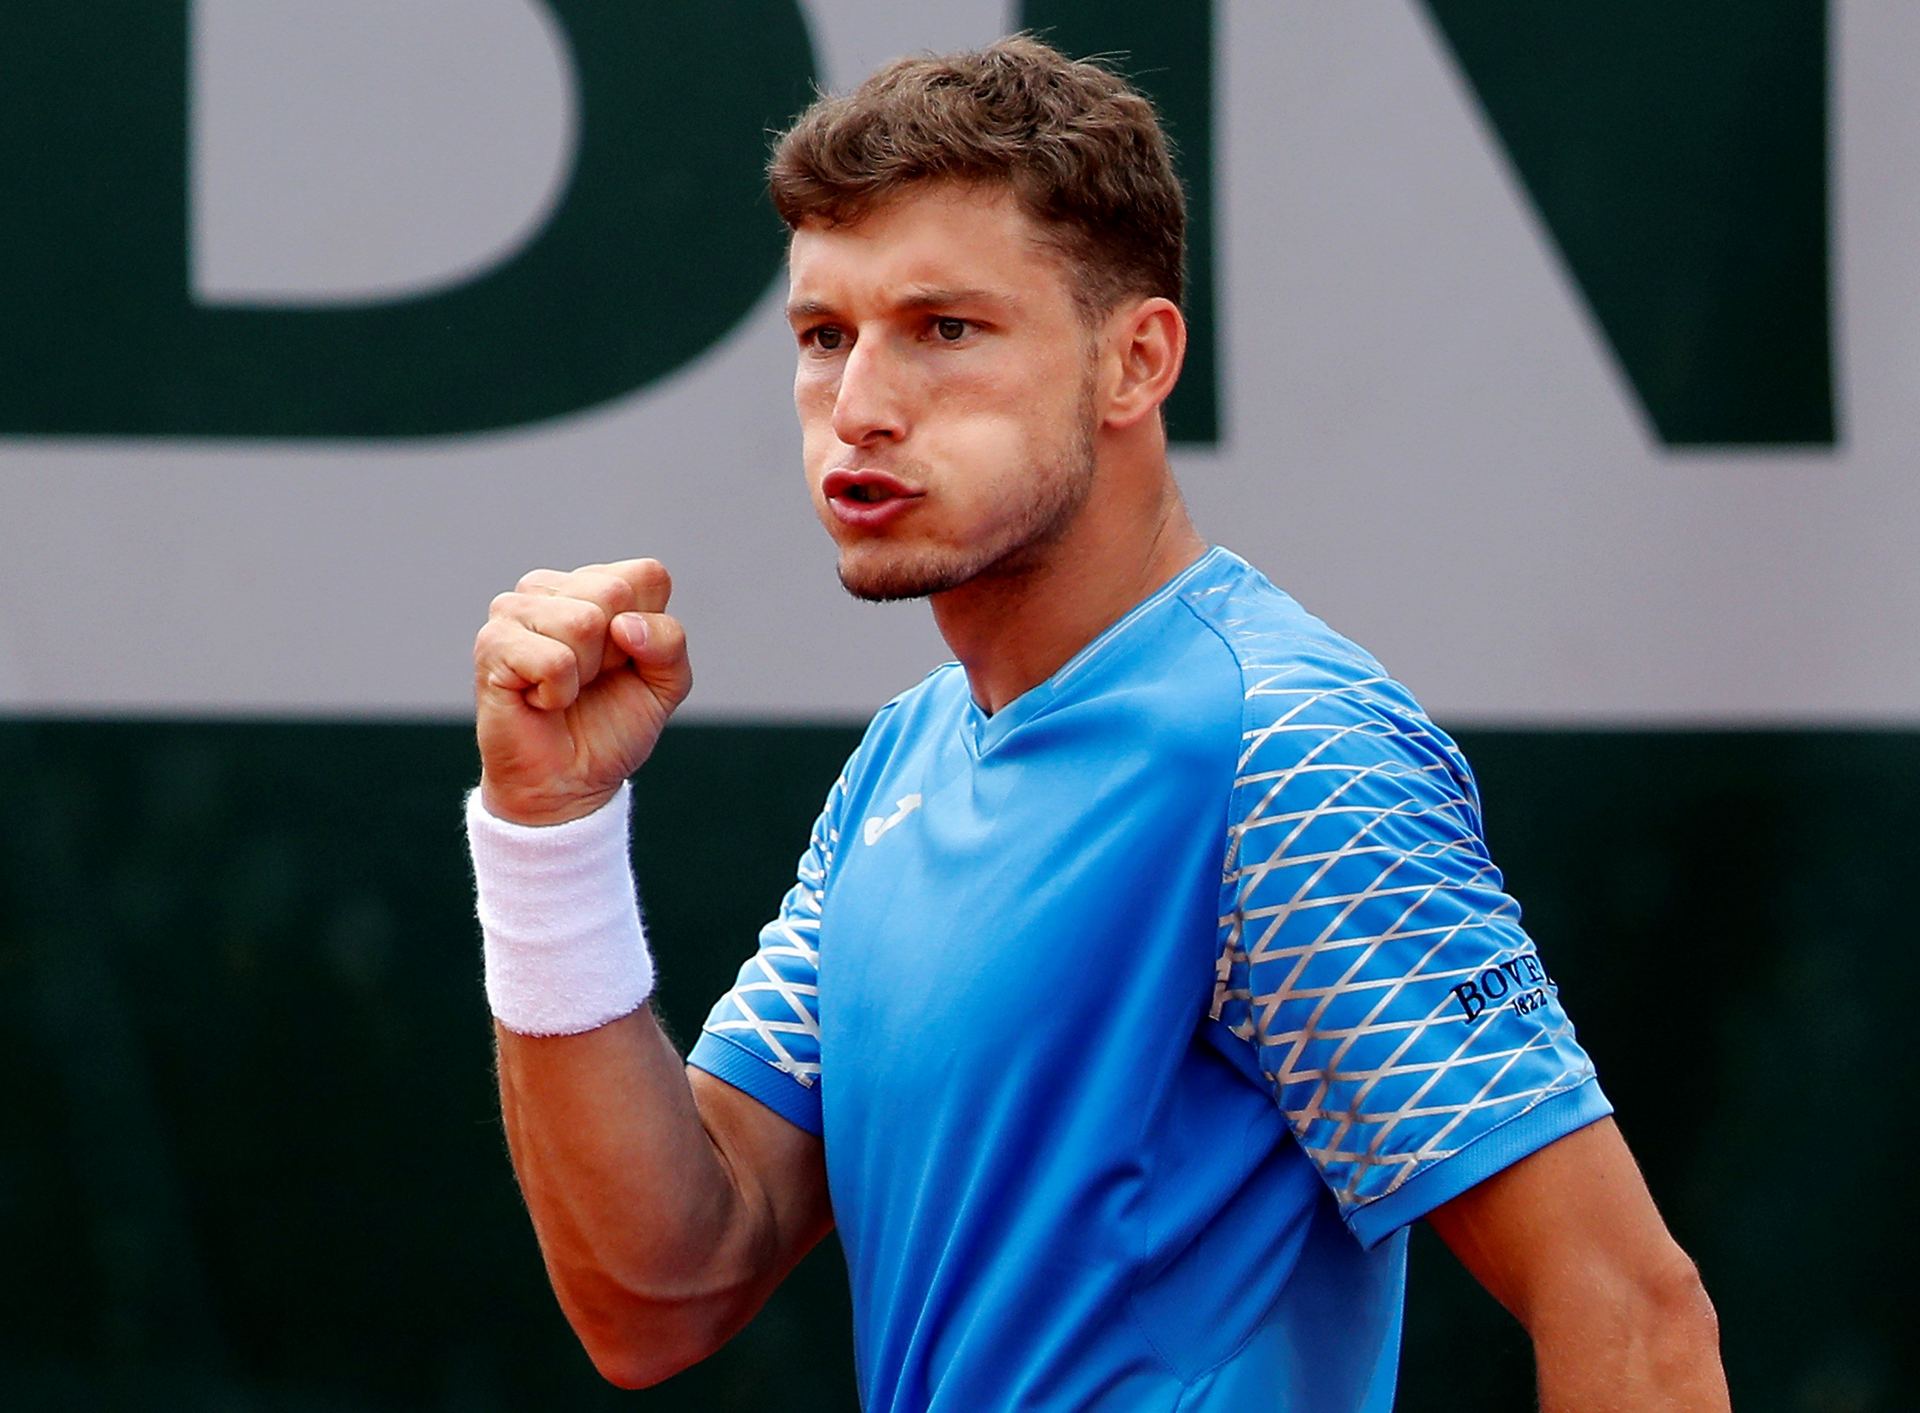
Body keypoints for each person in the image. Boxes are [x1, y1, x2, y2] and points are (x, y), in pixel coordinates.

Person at [465, 36, 1727, 1411]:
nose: (860, 409)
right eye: (826, 338)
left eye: (946, 329)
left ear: (1136, 362)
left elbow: (1631, 1313)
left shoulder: (1287, 748)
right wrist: (549, 835)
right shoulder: (901, 764)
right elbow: (660, 1291)